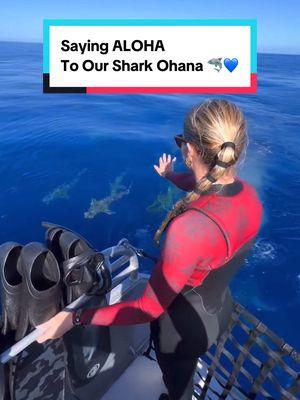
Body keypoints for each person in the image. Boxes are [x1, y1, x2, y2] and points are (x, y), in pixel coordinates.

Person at [36, 99, 263, 400]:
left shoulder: (188, 232)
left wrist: (72, 319)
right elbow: (209, 185)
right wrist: (171, 177)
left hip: (179, 331)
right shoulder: (249, 196)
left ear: (190, 150)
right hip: (218, 312)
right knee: (186, 369)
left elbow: (147, 309)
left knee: (177, 379)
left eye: (181, 142)